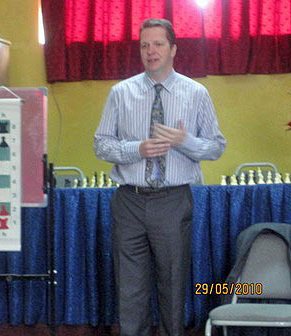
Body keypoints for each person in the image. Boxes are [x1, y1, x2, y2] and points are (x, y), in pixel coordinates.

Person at [93, 18, 226, 336]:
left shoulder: (196, 93)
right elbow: (101, 144)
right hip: (129, 201)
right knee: (130, 291)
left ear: (173, 49)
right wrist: (138, 148)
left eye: (158, 44)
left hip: (173, 201)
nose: (150, 51)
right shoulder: (120, 93)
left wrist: (185, 142)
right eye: (144, 45)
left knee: (172, 286)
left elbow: (216, 147)